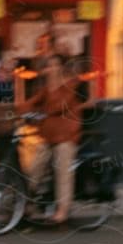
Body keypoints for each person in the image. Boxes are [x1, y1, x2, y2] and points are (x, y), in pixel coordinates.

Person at [20, 52, 81, 224]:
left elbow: (59, 106)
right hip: (48, 136)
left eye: (55, 65)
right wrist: (16, 110)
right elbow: (31, 102)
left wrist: (40, 110)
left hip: (67, 136)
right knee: (34, 169)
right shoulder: (46, 88)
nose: (51, 69)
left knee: (63, 172)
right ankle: (29, 204)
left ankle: (63, 210)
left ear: (61, 68)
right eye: (49, 66)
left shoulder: (69, 84)